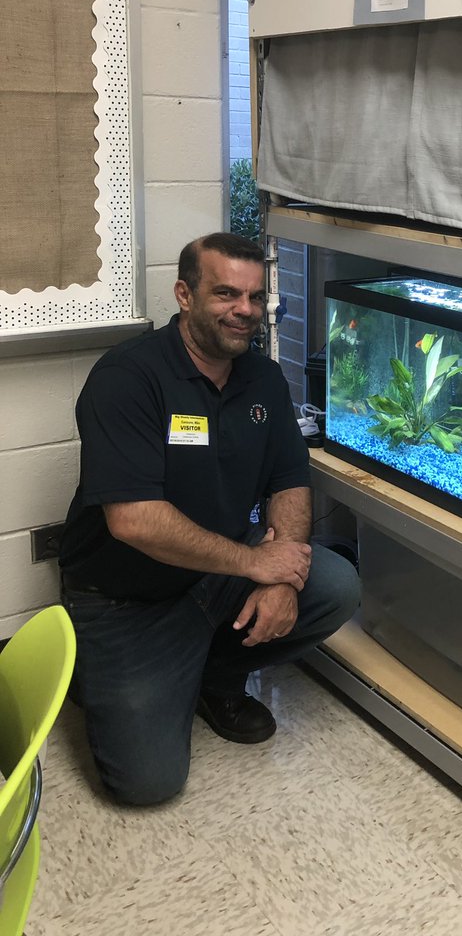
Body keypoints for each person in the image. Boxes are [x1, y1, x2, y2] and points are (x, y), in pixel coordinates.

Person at [59, 232, 360, 805]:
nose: (244, 310)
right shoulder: (127, 378)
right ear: (184, 295)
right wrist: (257, 561)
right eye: (226, 293)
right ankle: (98, 668)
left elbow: (289, 481)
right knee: (145, 784)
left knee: (334, 584)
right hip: (125, 597)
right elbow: (133, 522)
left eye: (253, 296)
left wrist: (281, 577)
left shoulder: (262, 379)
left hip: (217, 573)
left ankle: (215, 679)